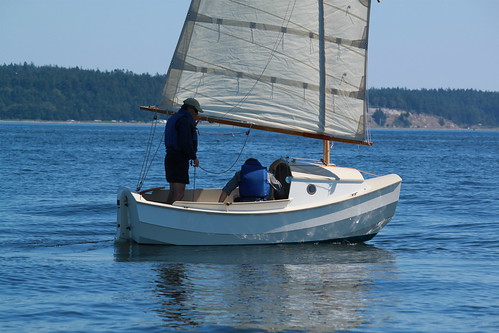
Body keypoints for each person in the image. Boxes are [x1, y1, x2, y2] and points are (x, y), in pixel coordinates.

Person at [164, 98, 203, 204]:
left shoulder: (177, 118)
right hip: (178, 159)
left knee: (173, 191)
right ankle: (170, 215)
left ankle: (166, 212)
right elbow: (185, 142)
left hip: (171, 157)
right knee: (179, 193)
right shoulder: (184, 121)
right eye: (196, 111)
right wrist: (194, 157)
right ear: (190, 109)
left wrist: (192, 127)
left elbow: (180, 136)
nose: (197, 114)